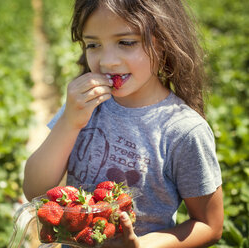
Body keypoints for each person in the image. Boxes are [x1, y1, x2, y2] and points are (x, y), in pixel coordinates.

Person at [23, 0, 224, 247]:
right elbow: (34, 191)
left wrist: (145, 245)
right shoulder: (85, 105)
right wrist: (69, 122)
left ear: (163, 41)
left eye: (126, 42)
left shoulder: (182, 130)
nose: (107, 62)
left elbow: (210, 225)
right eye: (93, 44)